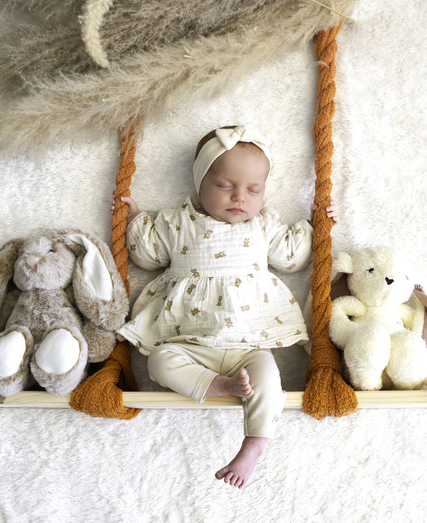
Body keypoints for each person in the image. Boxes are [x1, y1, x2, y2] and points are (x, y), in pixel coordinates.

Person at [111, 125, 337, 488]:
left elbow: (292, 258)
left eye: (253, 190)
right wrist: (134, 218)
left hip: (247, 346)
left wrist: (315, 225)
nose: (239, 197)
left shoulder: (263, 225)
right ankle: (216, 385)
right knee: (159, 361)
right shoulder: (177, 222)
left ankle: (254, 445)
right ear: (200, 182)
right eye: (225, 185)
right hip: (189, 343)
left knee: (269, 378)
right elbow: (147, 256)